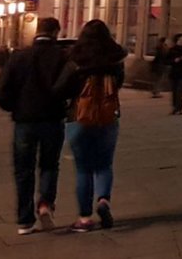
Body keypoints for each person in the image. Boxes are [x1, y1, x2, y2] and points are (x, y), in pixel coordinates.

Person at [0, 17, 68, 235]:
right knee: (49, 164)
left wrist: (14, 107)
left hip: (25, 120)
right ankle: (45, 203)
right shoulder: (61, 57)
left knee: (23, 169)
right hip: (53, 119)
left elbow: (2, 89)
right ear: (56, 32)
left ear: (37, 31)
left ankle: (25, 221)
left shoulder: (19, 56)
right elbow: (71, 86)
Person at [52, 20, 127, 233]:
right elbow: (119, 83)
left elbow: (60, 88)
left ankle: (84, 218)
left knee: (83, 168)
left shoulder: (75, 59)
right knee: (104, 164)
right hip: (108, 117)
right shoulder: (116, 59)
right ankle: (103, 200)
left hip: (79, 116)